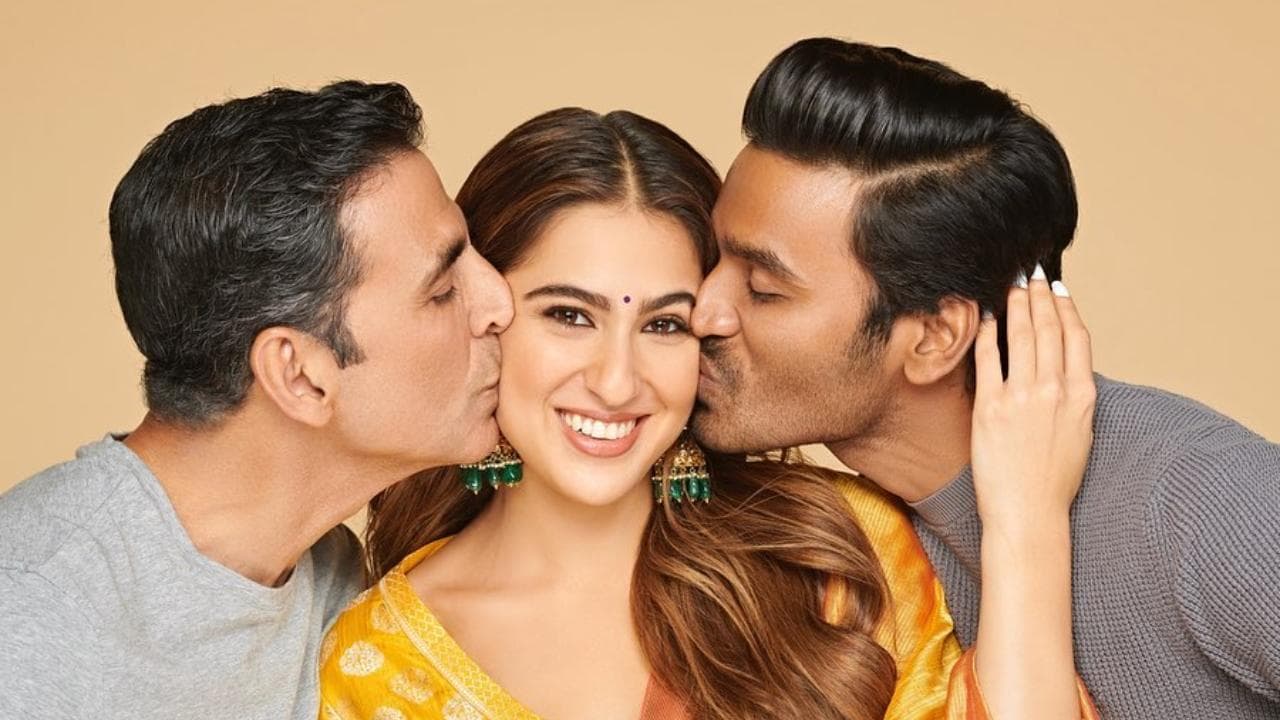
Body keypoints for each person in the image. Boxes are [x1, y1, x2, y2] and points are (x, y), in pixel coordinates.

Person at [318, 107, 1097, 720]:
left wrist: (1027, 524)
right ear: (486, 313)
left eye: (664, 324)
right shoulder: (382, 658)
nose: (617, 382)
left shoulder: (830, 554)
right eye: (569, 315)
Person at [690, 37, 1280, 719]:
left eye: (762, 289)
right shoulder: (835, 544)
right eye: (712, 258)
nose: (702, 310)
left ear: (935, 338)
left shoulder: (1199, 499)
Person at [0, 81, 513, 719]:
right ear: (298, 375)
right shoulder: (30, 617)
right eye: (442, 291)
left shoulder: (332, 580)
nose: (499, 304)